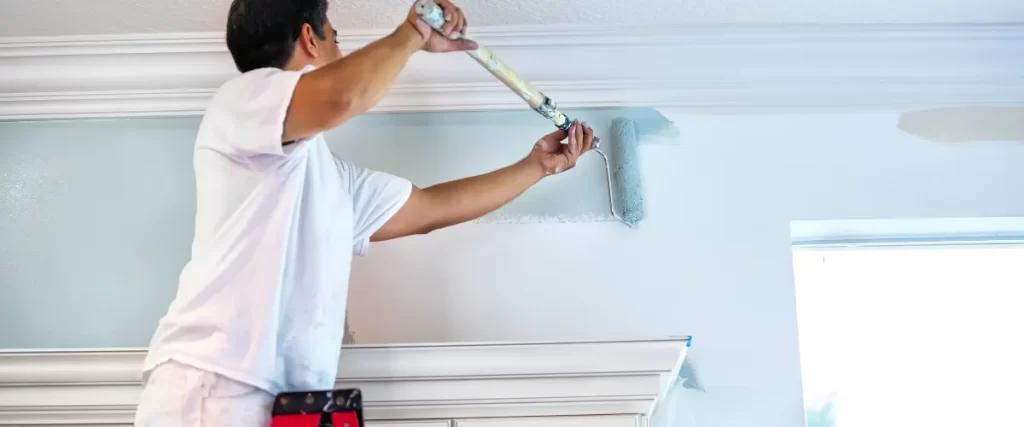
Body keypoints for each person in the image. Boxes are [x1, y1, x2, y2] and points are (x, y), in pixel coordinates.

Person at [133, 0, 597, 426]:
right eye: (336, 36)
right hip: (213, 384)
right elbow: (343, 97)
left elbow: (430, 208)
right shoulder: (242, 100)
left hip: (290, 405)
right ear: (310, 39)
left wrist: (536, 166)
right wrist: (412, 32)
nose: (340, 47)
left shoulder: (329, 180)